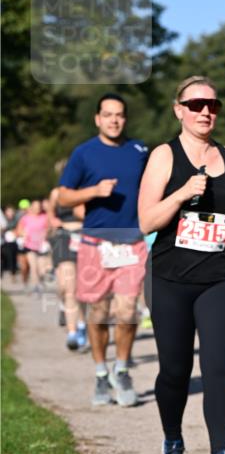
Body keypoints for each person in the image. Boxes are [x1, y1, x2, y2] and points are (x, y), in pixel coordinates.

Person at [138, 76, 225, 454]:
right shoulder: (163, 156)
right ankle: (173, 443)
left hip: (222, 276)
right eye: (195, 104)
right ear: (179, 109)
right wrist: (180, 195)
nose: (205, 111)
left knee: (218, 366)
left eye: (212, 104)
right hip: (170, 279)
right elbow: (146, 222)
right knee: (175, 371)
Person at [58, 93, 149, 407]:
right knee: (98, 313)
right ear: (97, 118)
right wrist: (94, 192)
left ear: (125, 118)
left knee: (126, 311)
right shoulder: (84, 154)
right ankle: (100, 372)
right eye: (108, 114)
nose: (114, 120)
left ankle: (122, 368)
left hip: (132, 243)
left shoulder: (140, 151)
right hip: (95, 244)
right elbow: (63, 197)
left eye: (119, 115)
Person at [48, 163, 87, 351]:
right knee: (66, 287)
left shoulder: (85, 192)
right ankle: (73, 327)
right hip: (63, 239)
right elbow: (50, 217)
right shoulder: (57, 194)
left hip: (83, 239)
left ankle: (78, 327)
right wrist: (56, 223)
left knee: (79, 289)